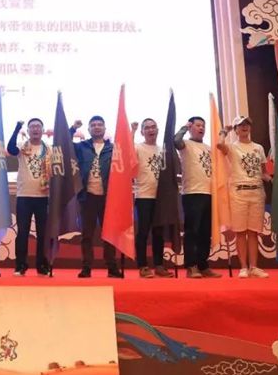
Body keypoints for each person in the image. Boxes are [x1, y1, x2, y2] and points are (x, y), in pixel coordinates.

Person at [217, 115, 271, 279]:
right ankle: (243, 267)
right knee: (240, 232)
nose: (244, 127)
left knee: (253, 232)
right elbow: (219, 145)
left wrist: (273, 179)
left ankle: (254, 267)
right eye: (240, 125)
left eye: (247, 124)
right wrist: (224, 131)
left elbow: (263, 172)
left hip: (257, 192)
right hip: (238, 192)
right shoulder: (232, 147)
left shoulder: (258, 148)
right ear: (235, 130)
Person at [72, 116, 123, 278]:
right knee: (87, 234)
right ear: (88, 129)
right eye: (93, 125)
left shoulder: (113, 148)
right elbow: (64, 144)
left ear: (105, 128)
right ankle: (86, 267)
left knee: (109, 234)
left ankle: (112, 267)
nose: (96, 127)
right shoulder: (81, 147)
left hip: (108, 197)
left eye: (100, 124)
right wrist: (73, 128)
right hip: (87, 197)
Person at [175, 116, 221, 279]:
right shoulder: (185, 144)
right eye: (197, 125)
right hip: (192, 193)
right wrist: (184, 127)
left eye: (203, 126)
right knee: (192, 231)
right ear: (190, 127)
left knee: (205, 232)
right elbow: (175, 141)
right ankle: (191, 266)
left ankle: (203, 265)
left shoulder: (209, 148)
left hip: (209, 193)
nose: (201, 128)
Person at [7, 118, 50, 276]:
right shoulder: (22, 147)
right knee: (23, 232)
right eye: (32, 127)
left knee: (43, 233)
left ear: (43, 130)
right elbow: (10, 149)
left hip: (44, 196)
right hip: (24, 196)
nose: (35, 129)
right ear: (28, 130)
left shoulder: (49, 149)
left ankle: (42, 265)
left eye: (38, 126)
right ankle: (20, 265)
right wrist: (17, 127)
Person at [130, 119, 172, 278]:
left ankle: (159, 265)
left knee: (159, 233)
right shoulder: (138, 147)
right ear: (142, 132)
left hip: (160, 197)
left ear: (158, 130)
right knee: (143, 232)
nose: (150, 130)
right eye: (147, 128)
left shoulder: (163, 150)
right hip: (144, 196)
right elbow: (127, 153)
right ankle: (142, 266)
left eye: (153, 127)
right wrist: (132, 131)